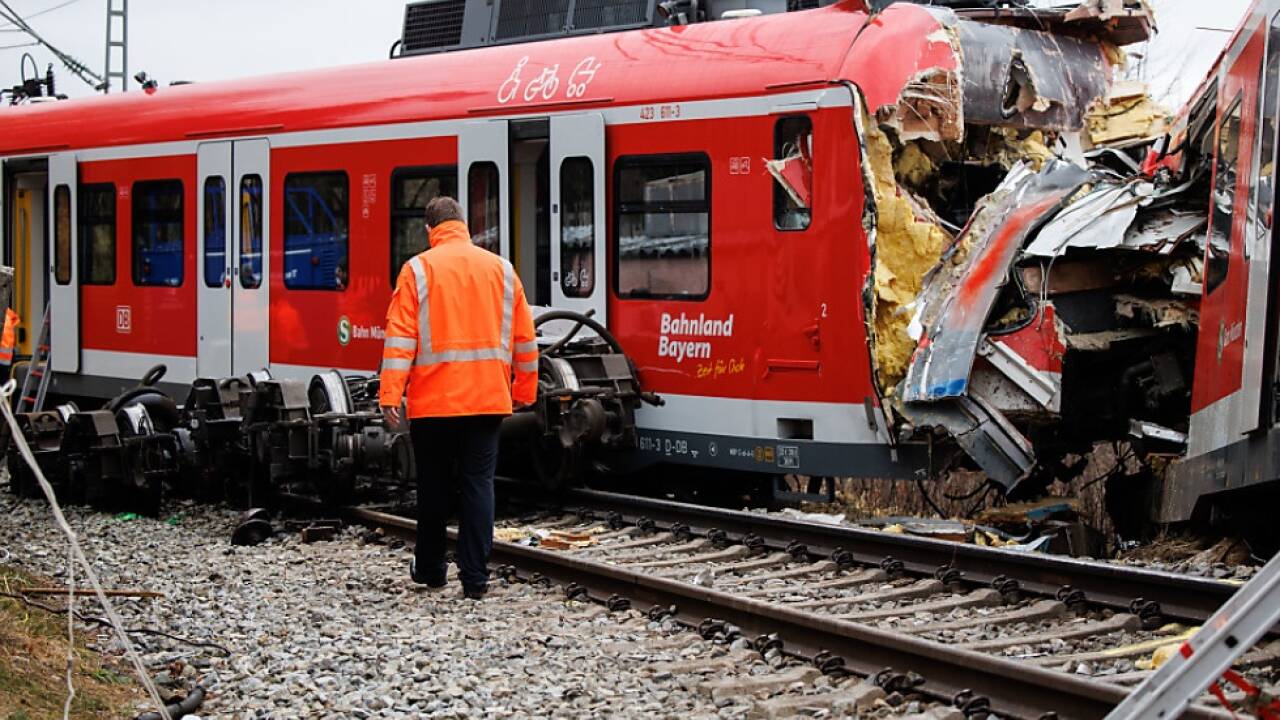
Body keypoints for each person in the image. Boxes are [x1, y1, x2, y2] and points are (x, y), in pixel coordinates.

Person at [379, 196, 538, 599]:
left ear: (429, 230)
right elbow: (525, 339)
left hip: (434, 403)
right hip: (487, 400)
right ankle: (475, 579)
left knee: (434, 486)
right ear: (464, 224)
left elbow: (400, 340)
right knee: (478, 486)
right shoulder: (501, 269)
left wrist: (390, 395)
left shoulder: (417, 270)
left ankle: (431, 569)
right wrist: (523, 391)